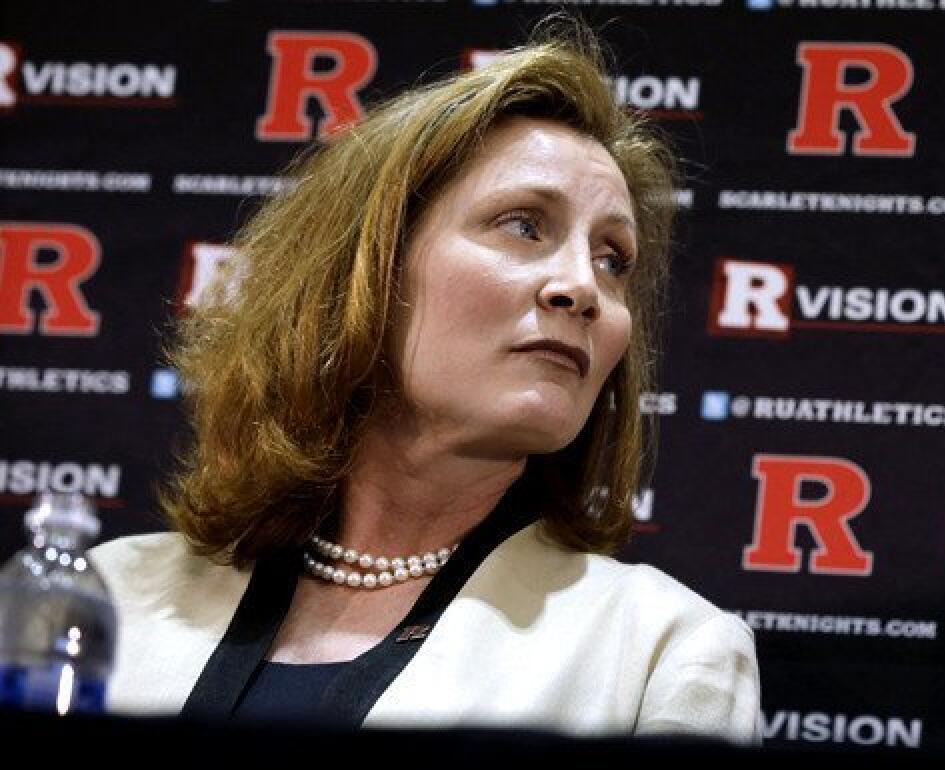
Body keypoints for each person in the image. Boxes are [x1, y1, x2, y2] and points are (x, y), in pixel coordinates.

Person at [88, 22, 761, 743]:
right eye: (524, 226)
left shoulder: (667, 653)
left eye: (613, 259)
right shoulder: (101, 598)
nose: (581, 287)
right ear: (366, 271)